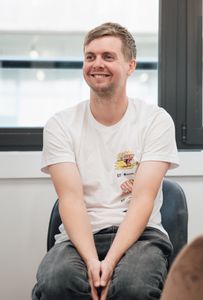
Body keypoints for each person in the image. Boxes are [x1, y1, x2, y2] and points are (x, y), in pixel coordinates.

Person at [32, 22, 179, 300]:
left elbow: (142, 200)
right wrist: (92, 262)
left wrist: (109, 263)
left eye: (108, 57)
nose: (97, 64)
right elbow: (71, 200)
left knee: (132, 288)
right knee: (55, 282)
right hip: (78, 238)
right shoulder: (60, 125)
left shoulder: (155, 120)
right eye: (90, 57)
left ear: (130, 65)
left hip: (142, 236)